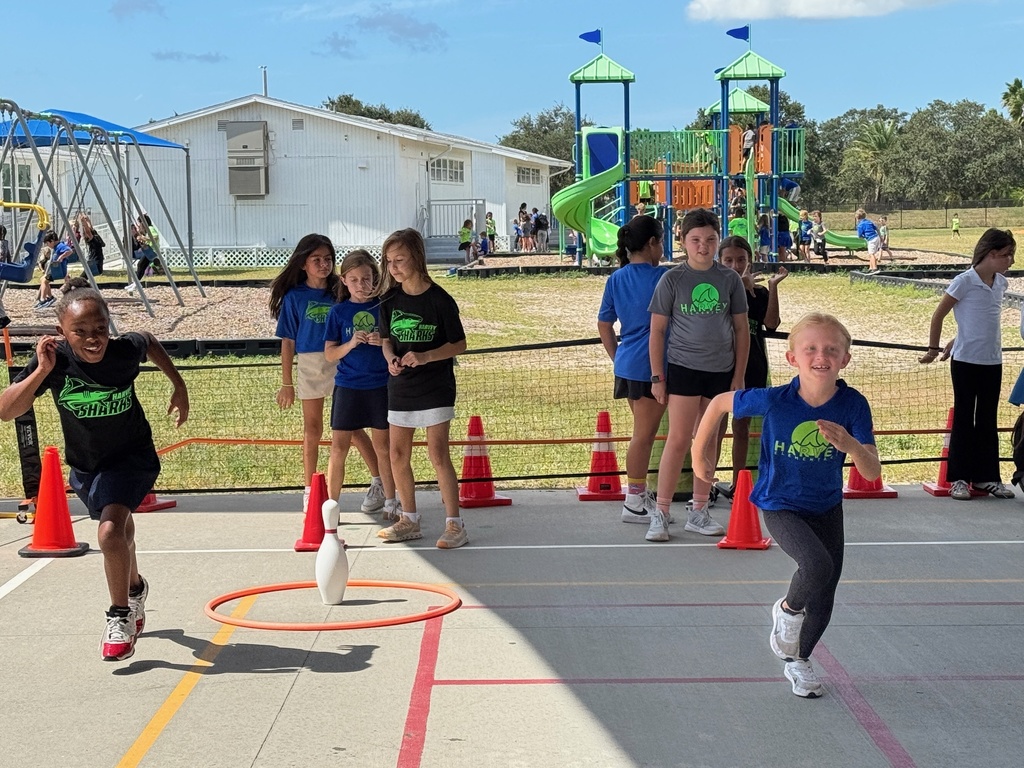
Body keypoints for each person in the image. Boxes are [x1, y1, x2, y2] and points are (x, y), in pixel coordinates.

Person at [692, 313, 881, 698]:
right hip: (779, 503)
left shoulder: (853, 405)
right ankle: (788, 611)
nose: (820, 356)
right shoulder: (776, 399)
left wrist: (852, 447)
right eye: (810, 348)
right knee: (816, 565)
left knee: (825, 592)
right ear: (792, 358)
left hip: (826, 505)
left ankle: (799, 662)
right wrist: (699, 454)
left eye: (831, 349)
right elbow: (718, 403)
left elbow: (872, 470)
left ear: (845, 358)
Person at [0, 277, 189, 661]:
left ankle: (119, 615)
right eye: (80, 331)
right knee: (120, 529)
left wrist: (178, 383)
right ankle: (134, 589)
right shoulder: (53, 361)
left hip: (131, 456)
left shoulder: (122, 352)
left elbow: (149, 340)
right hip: (88, 464)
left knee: (108, 533)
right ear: (61, 333)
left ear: (109, 326)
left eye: (100, 329)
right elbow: (6, 411)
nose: (93, 338)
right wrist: (39, 373)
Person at [647, 208, 749, 541]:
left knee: (708, 440)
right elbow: (658, 331)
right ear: (683, 242)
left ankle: (700, 510)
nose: (703, 247)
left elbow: (741, 329)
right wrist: (657, 377)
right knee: (678, 440)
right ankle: (661, 513)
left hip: (720, 371)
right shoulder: (672, 279)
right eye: (695, 240)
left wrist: (738, 375)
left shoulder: (729, 279)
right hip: (683, 369)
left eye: (709, 240)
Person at [269, 234, 381, 515]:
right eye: (316, 259)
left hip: (346, 360)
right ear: (303, 263)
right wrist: (287, 383)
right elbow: (288, 341)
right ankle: (310, 490)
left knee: (351, 428)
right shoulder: (294, 297)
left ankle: (379, 481)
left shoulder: (340, 290)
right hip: (311, 363)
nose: (323, 264)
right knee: (313, 429)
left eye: (328, 259)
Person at [376, 228, 469, 549]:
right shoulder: (389, 299)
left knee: (437, 453)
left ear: (416, 257)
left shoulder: (440, 300)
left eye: (399, 260)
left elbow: (460, 344)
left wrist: (427, 355)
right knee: (397, 454)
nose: (394, 268)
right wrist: (390, 359)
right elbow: (387, 340)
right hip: (400, 387)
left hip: (435, 387)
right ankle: (409, 519)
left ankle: (455, 524)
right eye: (389, 262)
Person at [920, 228, 1017, 501]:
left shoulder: (1000, 283)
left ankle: (987, 477)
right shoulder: (964, 281)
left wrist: (958, 336)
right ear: (991, 253)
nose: (1010, 261)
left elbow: (980, 321)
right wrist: (933, 348)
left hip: (992, 361)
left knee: (987, 418)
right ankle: (959, 479)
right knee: (964, 417)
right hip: (965, 362)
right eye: (1007, 255)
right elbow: (939, 314)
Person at [597, 215, 668, 534]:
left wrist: (618, 357)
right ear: (652, 243)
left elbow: (604, 325)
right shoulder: (663, 277)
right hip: (651, 368)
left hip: (629, 365)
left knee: (644, 433)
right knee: (643, 435)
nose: (663, 247)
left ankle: (640, 496)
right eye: (662, 240)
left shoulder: (616, 278)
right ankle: (634, 501)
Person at [323, 250, 399, 521]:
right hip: (348, 385)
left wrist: (384, 343)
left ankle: (391, 500)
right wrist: (352, 343)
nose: (361, 285)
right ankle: (331, 506)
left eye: (366, 279)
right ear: (344, 281)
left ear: (375, 278)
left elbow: (397, 344)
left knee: (383, 447)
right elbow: (330, 353)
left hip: (380, 385)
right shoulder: (338, 312)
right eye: (354, 280)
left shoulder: (385, 306)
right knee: (339, 447)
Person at [715, 236, 787, 496]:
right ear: (719, 262)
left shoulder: (758, 292)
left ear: (750, 261)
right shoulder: (715, 288)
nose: (735, 265)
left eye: (741, 260)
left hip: (752, 366)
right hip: (719, 366)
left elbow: (772, 323)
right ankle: (704, 484)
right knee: (716, 425)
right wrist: (737, 289)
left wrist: (772, 286)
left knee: (741, 425)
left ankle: (738, 483)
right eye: (729, 260)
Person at [35, 230, 71, 309]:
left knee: (44, 280)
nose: (47, 245)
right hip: (55, 270)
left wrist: (61, 257)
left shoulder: (60, 246)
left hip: (59, 270)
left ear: (51, 241)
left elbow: (69, 251)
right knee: (43, 279)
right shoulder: (56, 246)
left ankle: (43, 300)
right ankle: (50, 297)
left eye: (47, 243)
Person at [855, 209, 882, 273]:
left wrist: (863, 237)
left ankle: (875, 268)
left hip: (871, 239)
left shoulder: (860, 225)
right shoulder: (869, 221)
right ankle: (870, 267)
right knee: (871, 254)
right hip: (876, 237)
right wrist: (880, 236)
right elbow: (877, 228)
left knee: (871, 254)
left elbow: (859, 236)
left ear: (857, 218)